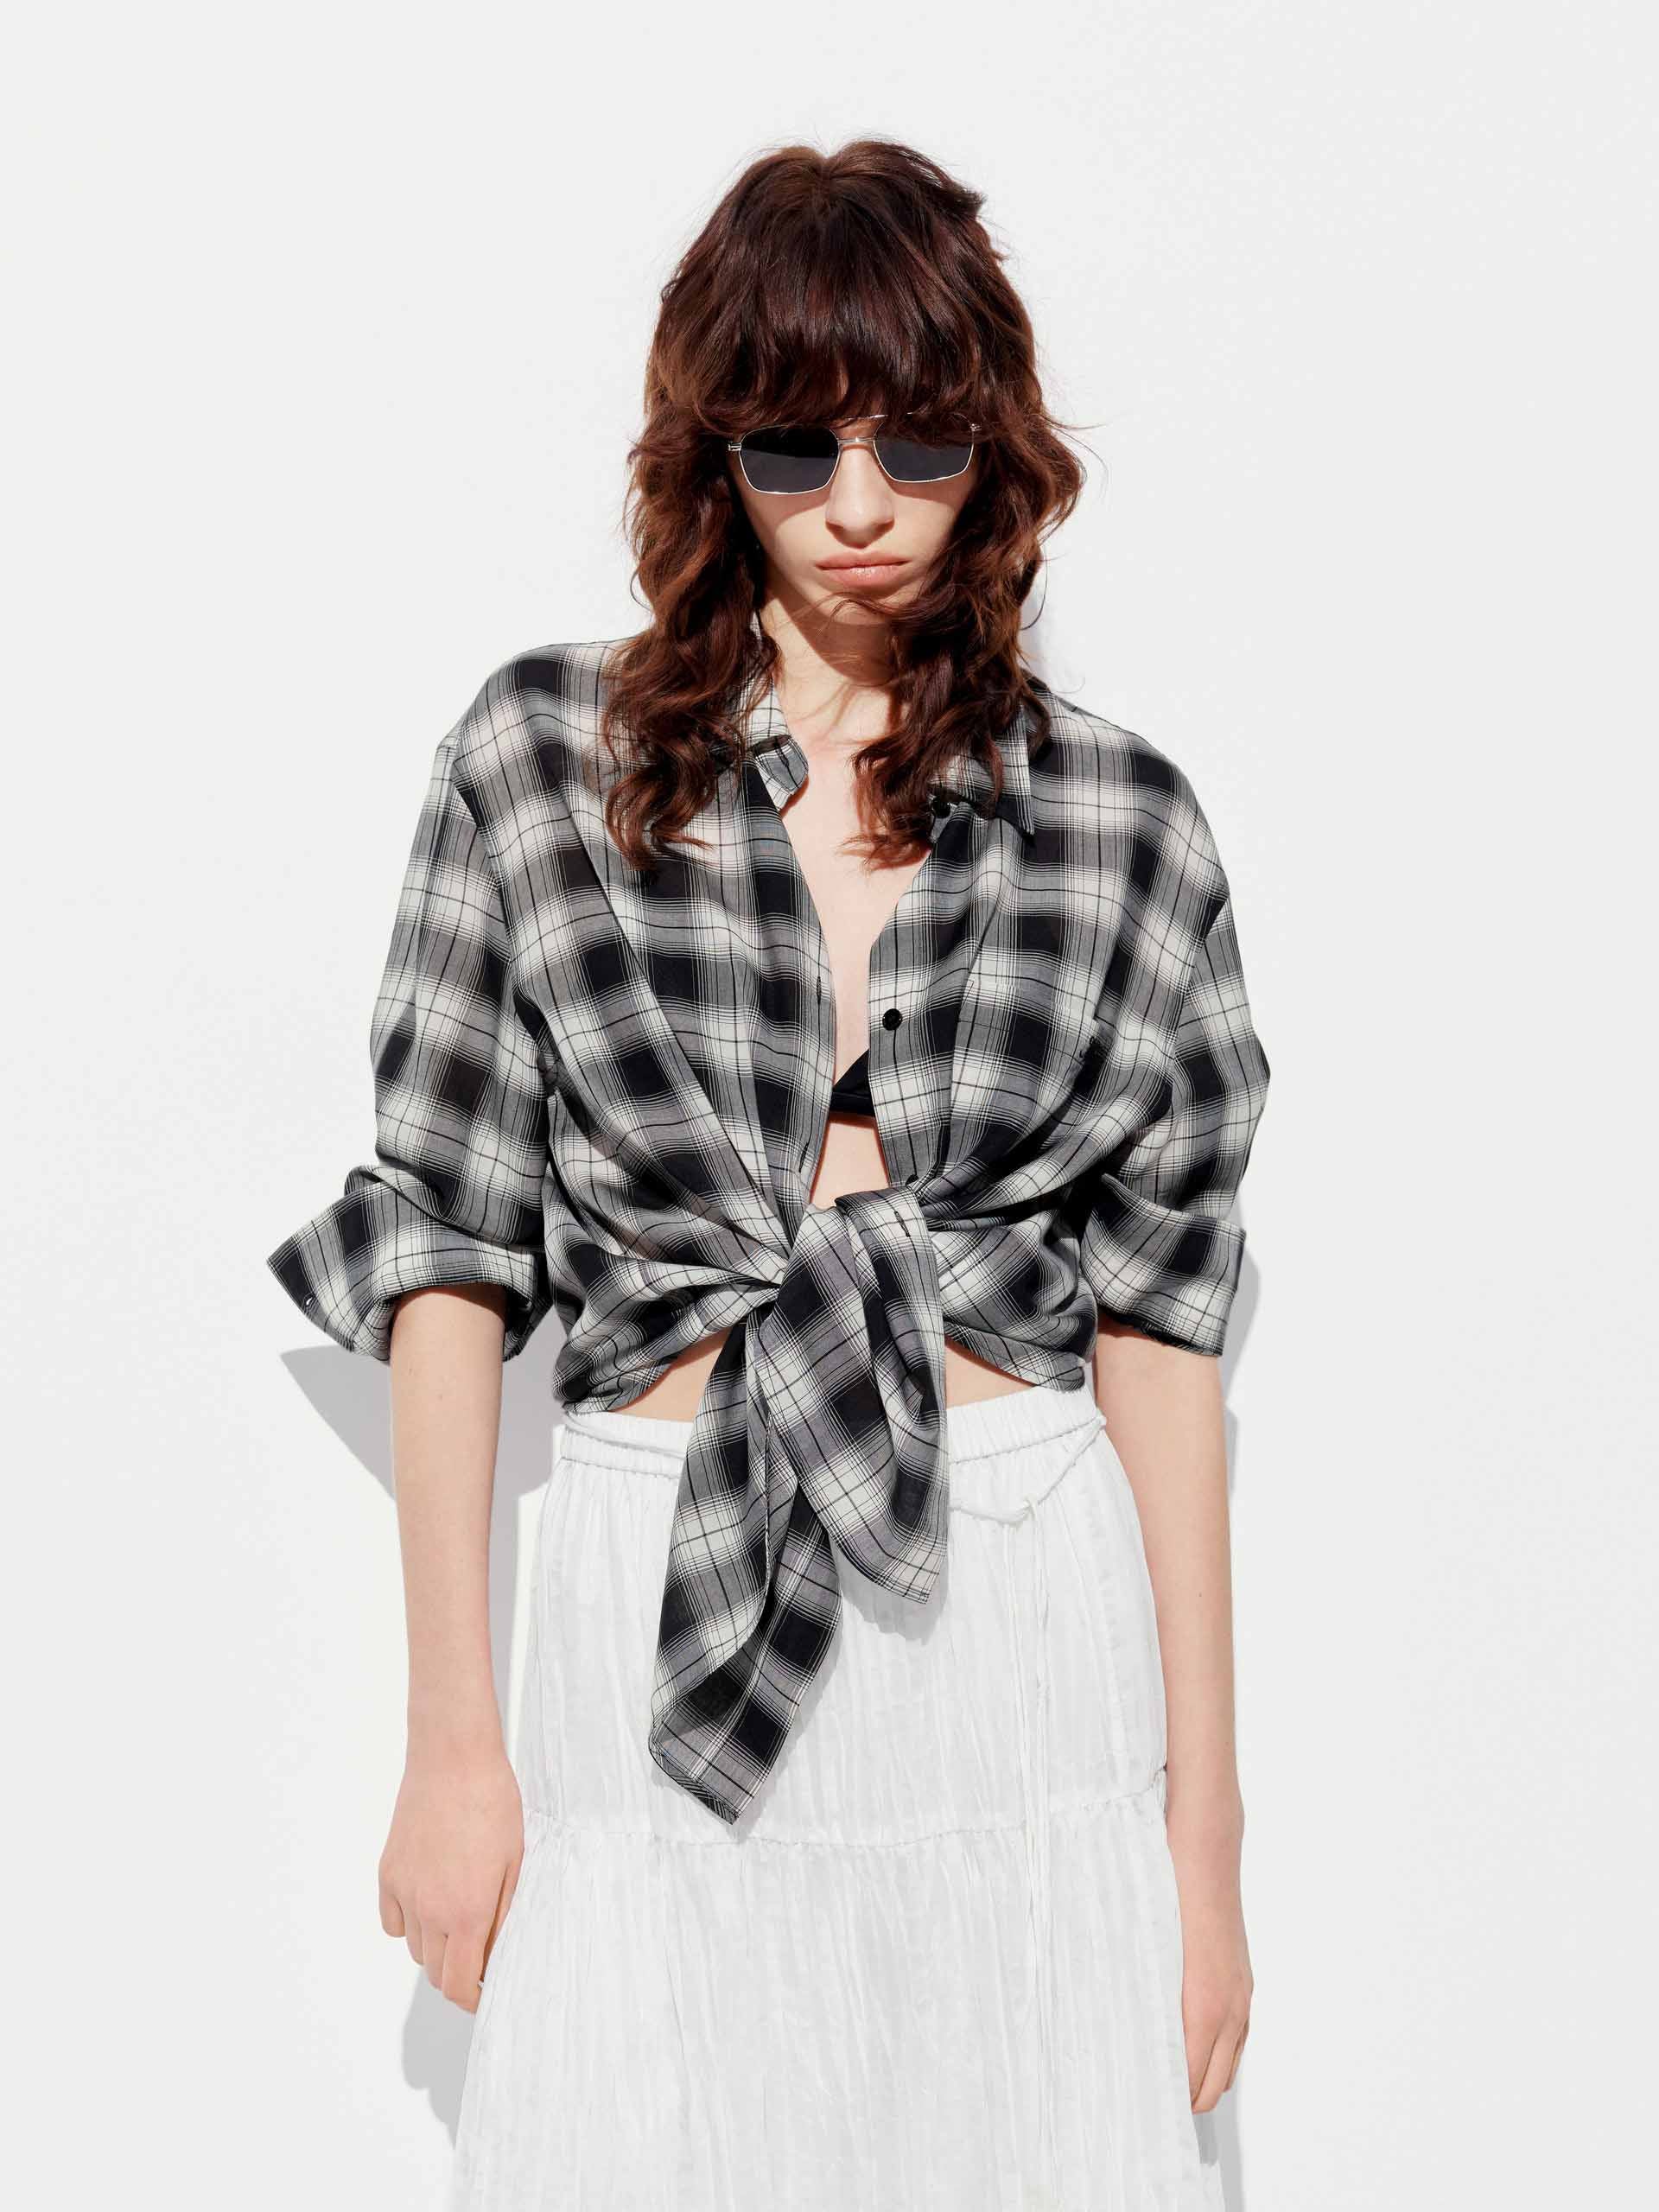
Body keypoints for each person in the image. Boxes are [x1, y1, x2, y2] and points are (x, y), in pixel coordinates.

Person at [267, 137, 1271, 2211]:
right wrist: (452, 1738)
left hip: (1018, 1601)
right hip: (651, 1591)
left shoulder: (1123, 817)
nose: (863, 505)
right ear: (711, 451)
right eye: (797, 446)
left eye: (920, 440)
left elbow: (1161, 1334)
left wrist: (1204, 1839)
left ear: (996, 446)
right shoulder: (540, 763)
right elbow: (449, 1246)